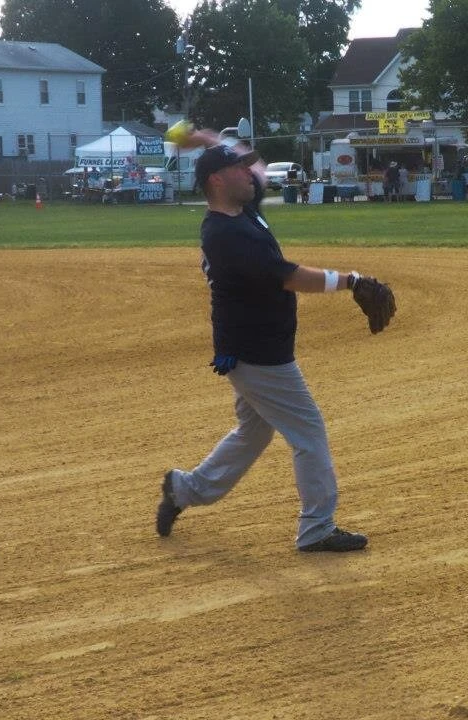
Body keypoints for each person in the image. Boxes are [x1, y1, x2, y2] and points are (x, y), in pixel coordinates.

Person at [156, 127, 380, 552]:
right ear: (217, 181)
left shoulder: (242, 211)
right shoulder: (226, 235)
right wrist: (351, 280)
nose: (251, 173)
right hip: (258, 353)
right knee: (308, 432)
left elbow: (257, 172)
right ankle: (317, 529)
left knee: (253, 431)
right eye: (238, 168)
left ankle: (184, 490)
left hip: (254, 348)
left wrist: (207, 140)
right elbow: (290, 277)